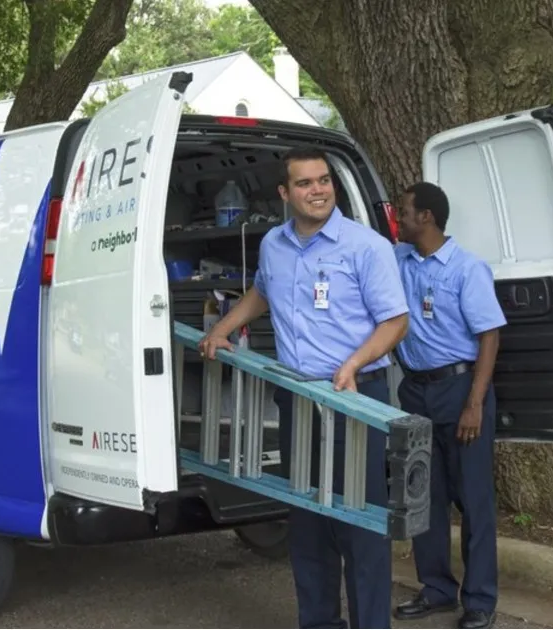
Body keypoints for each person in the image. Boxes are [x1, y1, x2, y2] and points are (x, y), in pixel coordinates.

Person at [199, 146, 410, 629]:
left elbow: (396, 322)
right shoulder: (274, 244)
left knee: (359, 522)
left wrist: (355, 363)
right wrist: (222, 329)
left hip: (354, 399)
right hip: (297, 398)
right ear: (284, 193)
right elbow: (261, 291)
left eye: (323, 181)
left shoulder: (364, 247)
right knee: (309, 522)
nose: (317, 191)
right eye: (305, 183)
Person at [389, 182, 506, 630]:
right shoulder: (398, 260)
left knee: (473, 500)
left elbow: (489, 336)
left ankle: (479, 600)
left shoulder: (466, 268)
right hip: (415, 391)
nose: (397, 220)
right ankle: (436, 589)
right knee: (424, 496)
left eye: (403, 213)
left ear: (427, 218)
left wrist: (474, 403)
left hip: (460, 391)